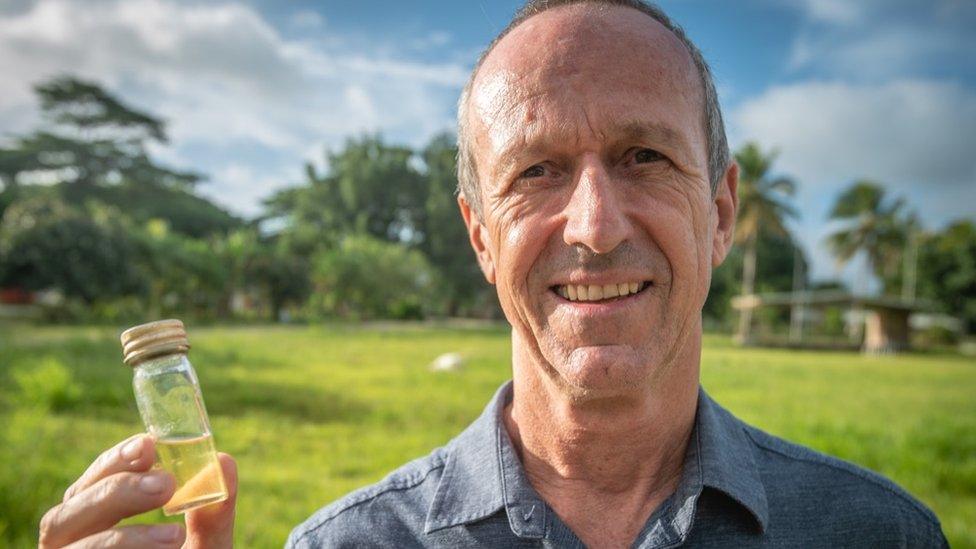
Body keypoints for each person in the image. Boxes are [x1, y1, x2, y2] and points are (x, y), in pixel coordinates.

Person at [40, 1, 948, 547]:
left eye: (643, 156)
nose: (593, 227)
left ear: (719, 213)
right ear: (481, 236)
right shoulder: (348, 545)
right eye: (536, 173)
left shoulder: (880, 532)